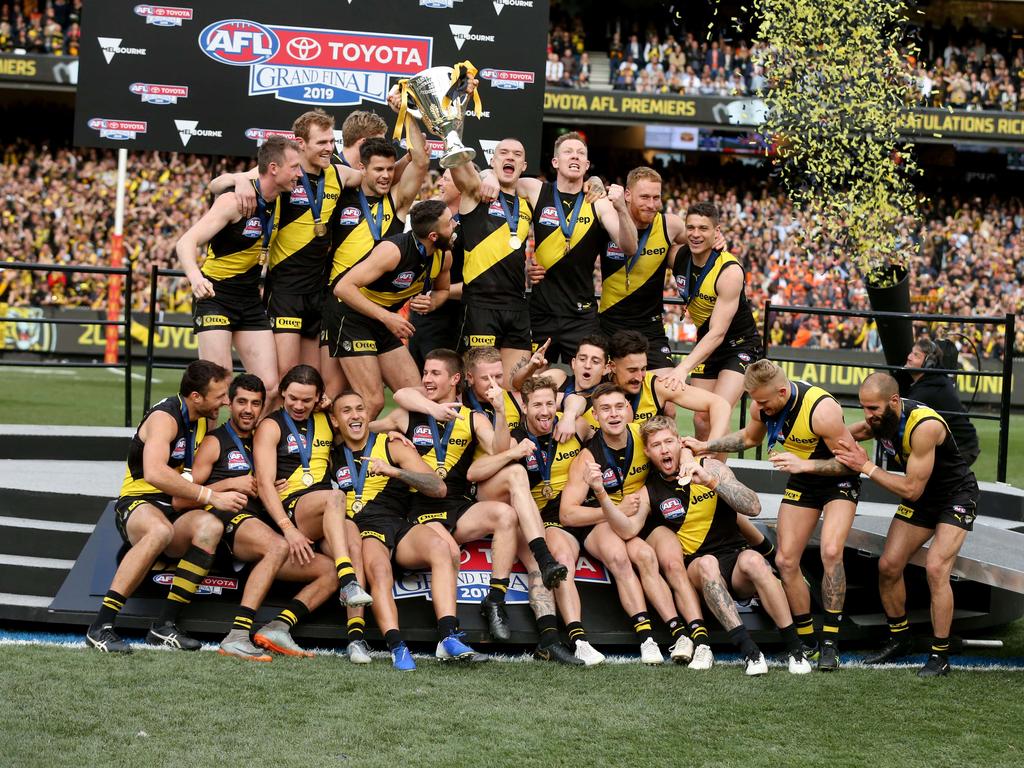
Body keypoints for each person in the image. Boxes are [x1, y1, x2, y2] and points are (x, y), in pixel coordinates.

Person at [377, 350, 576, 662]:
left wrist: (498, 411)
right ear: (466, 378)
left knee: (505, 513)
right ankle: (449, 635)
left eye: (434, 374)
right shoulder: (410, 410)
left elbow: (499, 448)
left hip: (460, 503)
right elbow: (387, 409)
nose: (427, 379)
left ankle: (496, 596)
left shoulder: (475, 415)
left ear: (454, 379)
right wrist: (391, 432)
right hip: (420, 509)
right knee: (448, 551)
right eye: (426, 373)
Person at [684, 359, 861, 671]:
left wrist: (805, 464)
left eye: (764, 402)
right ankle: (808, 641)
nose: (759, 408)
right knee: (785, 561)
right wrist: (705, 444)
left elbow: (852, 462)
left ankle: (831, 642)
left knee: (831, 551)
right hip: (804, 479)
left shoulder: (822, 410)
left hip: (838, 480)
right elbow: (749, 438)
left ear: (782, 391)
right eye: (754, 401)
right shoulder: (761, 405)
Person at [606, 416, 812, 675]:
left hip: (735, 561)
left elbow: (754, 507)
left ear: (680, 443)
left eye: (669, 441)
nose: (665, 449)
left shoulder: (710, 467)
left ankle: (796, 649)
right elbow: (629, 529)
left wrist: (711, 481)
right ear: (647, 452)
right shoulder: (649, 491)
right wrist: (605, 500)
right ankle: (750, 652)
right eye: (657, 445)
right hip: (696, 567)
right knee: (707, 564)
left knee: (754, 561)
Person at [86, 361, 248, 653]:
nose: (226, 401)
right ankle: (101, 626)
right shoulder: (165, 417)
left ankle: (164, 626)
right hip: (138, 502)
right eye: (220, 395)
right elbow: (154, 473)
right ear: (196, 397)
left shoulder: (201, 417)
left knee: (211, 527)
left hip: (175, 507)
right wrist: (211, 496)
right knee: (159, 530)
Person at [181, 373, 337, 661]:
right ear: (229, 403)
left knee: (330, 570)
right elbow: (181, 496)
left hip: (263, 526)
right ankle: (237, 636)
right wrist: (229, 484)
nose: (247, 410)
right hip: (231, 526)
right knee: (277, 546)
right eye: (241, 402)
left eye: (255, 403)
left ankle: (278, 627)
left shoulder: (269, 435)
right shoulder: (216, 441)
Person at [834, 372, 980, 678]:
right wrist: (817, 442)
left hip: (955, 497)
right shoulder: (882, 420)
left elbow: (911, 490)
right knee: (888, 566)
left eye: (873, 408)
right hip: (924, 500)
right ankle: (900, 638)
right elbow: (856, 431)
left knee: (937, 568)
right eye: (863, 407)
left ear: (894, 401)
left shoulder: (923, 427)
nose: (868, 415)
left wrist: (865, 466)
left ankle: (940, 654)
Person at [331, 389, 483, 670]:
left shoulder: (393, 446)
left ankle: (448, 636)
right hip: (362, 528)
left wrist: (395, 471)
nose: (355, 416)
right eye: (346, 411)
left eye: (360, 409)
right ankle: (397, 646)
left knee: (440, 547)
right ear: (335, 419)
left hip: (399, 522)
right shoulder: (329, 453)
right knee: (378, 569)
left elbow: (438, 487)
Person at [210, 111, 365, 382]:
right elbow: (216, 184)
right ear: (301, 143)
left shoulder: (339, 174)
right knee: (286, 378)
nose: (329, 148)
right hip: (285, 291)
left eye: (331, 141)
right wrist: (239, 180)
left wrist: (411, 158)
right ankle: (270, 426)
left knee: (310, 380)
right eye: (322, 143)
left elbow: (375, 178)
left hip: (317, 291)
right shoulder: (286, 174)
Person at [560, 384, 694, 664]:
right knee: (618, 557)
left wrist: (690, 456)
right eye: (605, 409)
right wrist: (612, 511)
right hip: (597, 519)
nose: (613, 414)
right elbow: (568, 515)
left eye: (619, 407)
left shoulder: (644, 438)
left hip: (636, 517)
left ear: (630, 410)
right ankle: (646, 639)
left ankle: (679, 632)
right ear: (595, 415)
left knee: (647, 556)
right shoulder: (588, 457)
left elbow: (680, 445)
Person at [469, 375, 594, 664]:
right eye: (537, 404)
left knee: (540, 569)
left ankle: (548, 640)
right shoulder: (514, 433)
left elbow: (584, 398)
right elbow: (474, 474)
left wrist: (571, 414)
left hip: (538, 518)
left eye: (550, 403)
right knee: (517, 473)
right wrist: (515, 451)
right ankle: (543, 557)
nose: (545, 411)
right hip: (497, 501)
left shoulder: (570, 424)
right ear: (524, 407)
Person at [179, 136, 303, 410]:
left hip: (249, 299)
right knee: (216, 389)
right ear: (273, 168)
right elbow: (185, 242)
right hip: (216, 295)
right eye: (294, 167)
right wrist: (196, 278)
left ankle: (248, 448)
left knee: (270, 387)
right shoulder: (234, 200)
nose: (299, 173)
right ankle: (207, 450)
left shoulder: (284, 196)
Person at [496, 132, 638, 364]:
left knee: (589, 385)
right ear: (555, 162)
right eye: (568, 152)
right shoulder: (535, 189)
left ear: (587, 164)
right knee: (532, 383)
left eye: (581, 154)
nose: (575, 157)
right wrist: (491, 179)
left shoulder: (599, 202)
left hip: (580, 314)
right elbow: (496, 175)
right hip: (540, 312)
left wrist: (622, 208)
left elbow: (630, 247)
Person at [253, 365, 372, 617]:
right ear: (283, 392)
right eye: (293, 398)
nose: (298, 405)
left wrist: (393, 435)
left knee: (353, 539)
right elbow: (264, 483)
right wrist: (289, 530)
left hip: (325, 510)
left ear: (319, 397)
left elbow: (361, 430)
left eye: (307, 400)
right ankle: (348, 580)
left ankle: (355, 636)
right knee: (335, 496)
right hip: (292, 509)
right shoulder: (271, 426)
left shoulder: (326, 419)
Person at [322, 127, 429, 400]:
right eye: (378, 169)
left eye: (390, 170)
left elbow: (421, 161)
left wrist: (410, 114)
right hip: (348, 306)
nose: (385, 176)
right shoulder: (341, 198)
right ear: (361, 168)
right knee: (368, 400)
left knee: (416, 394)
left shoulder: (396, 203)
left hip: (382, 311)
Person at [333, 199, 454, 419]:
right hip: (354, 320)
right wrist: (387, 317)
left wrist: (433, 302)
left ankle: (406, 447)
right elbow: (342, 288)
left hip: (385, 323)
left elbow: (443, 290)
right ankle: (345, 452)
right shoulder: (393, 250)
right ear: (433, 237)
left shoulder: (443, 256)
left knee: (419, 397)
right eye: (449, 223)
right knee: (373, 401)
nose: (454, 226)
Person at [596, 167, 724, 369]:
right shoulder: (609, 221)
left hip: (650, 326)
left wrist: (717, 239)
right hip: (610, 323)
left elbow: (698, 239)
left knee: (667, 394)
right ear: (627, 195)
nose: (651, 204)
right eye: (645, 197)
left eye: (656, 197)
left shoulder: (669, 224)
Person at [664, 202, 764, 440]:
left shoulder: (729, 271)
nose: (696, 234)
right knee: (700, 419)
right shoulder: (677, 256)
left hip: (739, 345)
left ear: (716, 231)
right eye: (691, 227)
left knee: (716, 412)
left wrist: (682, 368)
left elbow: (718, 332)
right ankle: (702, 470)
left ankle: (716, 475)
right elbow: (658, 230)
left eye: (703, 228)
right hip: (707, 343)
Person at [450, 138, 534, 377]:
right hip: (480, 305)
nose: (510, 157)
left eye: (517, 154)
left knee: (514, 390)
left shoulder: (527, 203)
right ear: (493, 161)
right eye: (504, 153)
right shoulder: (478, 193)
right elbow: (458, 166)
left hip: (517, 306)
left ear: (524, 165)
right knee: (479, 385)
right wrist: (451, 134)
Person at [897, 338, 979, 466]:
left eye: (916, 355)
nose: (909, 357)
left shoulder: (929, 389)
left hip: (962, 449)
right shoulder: (932, 381)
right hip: (959, 445)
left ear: (929, 363)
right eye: (911, 352)